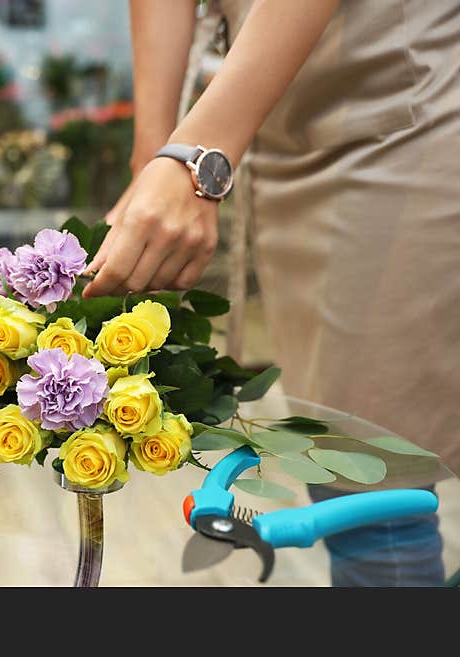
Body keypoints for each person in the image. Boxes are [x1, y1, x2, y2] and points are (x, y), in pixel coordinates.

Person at [83, 0, 459, 585]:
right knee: (332, 435)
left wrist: (197, 157)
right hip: (268, 112)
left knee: (376, 464)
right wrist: (154, 156)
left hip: (395, 92)